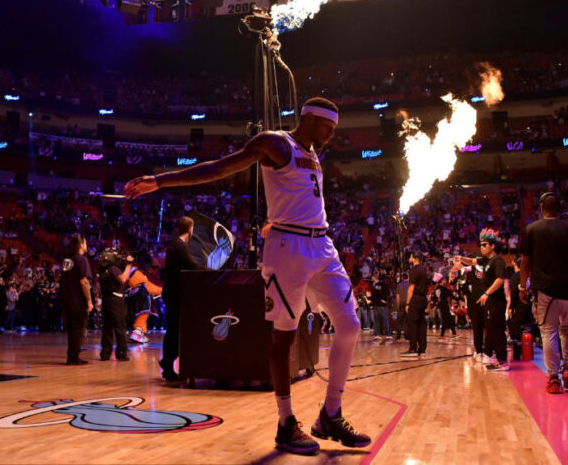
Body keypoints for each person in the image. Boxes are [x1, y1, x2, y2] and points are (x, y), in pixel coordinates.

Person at [125, 98, 370, 455]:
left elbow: (300, 197)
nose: (332, 137)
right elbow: (219, 168)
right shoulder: (275, 142)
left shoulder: (313, 152)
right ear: (310, 119)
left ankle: (330, 414)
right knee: (283, 336)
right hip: (289, 247)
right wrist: (161, 181)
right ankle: (286, 422)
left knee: (349, 325)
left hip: (321, 244)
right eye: (327, 128)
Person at [519, 192, 568, 394]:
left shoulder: (531, 229)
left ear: (541, 207)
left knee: (549, 330)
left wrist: (523, 286)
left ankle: (553, 378)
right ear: (559, 208)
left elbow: (525, 263)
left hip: (545, 290)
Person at [157, 217, 209, 380]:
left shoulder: (177, 245)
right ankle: (167, 365)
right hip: (175, 295)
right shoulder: (180, 246)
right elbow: (193, 265)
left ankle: (167, 363)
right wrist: (211, 271)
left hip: (174, 294)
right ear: (191, 229)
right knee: (174, 331)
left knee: (174, 331)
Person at [455, 228, 510, 371]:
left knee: (497, 330)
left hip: (496, 301)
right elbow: (472, 261)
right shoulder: (485, 260)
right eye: (481, 244)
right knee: (491, 330)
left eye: (485, 244)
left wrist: (486, 293)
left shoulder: (497, 261)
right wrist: (461, 259)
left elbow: (500, 279)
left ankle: (503, 361)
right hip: (489, 302)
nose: (481, 247)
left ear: (492, 246)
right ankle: (496, 358)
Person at [60, 235, 94, 365]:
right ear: (81, 245)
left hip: (67, 299)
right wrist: (89, 300)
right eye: (85, 243)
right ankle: (74, 357)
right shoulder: (82, 260)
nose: (87, 245)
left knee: (71, 330)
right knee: (79, 330)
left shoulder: (66, 260)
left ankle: (72, 356)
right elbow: (83, 281)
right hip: (77, 300)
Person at [98, 250, 134, 362]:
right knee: (120, 327)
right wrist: (128, 266)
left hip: (107, 300)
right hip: (115, 300)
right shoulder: (113, 269)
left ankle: (105, 353)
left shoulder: (104, 270)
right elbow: (123, 279)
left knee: (107, 327)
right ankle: (122, 353)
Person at [400, 252, 429, 360]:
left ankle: (413, 348)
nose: (409, 258)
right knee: (421, 324)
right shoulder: (424, 270)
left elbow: (411, 288)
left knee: (412, 324)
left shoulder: (414, 271)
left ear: (414, 258)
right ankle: (422, 349)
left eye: (410, 256)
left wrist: (408, 303)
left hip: (415, 299)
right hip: (423, 299)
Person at [508, 257, 532, 360]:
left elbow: (513, 293)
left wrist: (511, 307)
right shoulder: (529, 276)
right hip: (529, 305)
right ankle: (527, 351)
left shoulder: (516, 276)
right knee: (527, 328)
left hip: (519, 306)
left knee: (516, 329)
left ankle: (517, 353)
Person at [394, 272, 410, 342]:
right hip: (408, 305)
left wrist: (398, 306)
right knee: (407, 321)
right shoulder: (410, 285)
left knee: (399, 321)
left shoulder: (399, 285)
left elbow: (397, 297)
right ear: (408, 277)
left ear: (402, 278)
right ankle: (407, 337)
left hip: (401, 305)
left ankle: (398, 337)